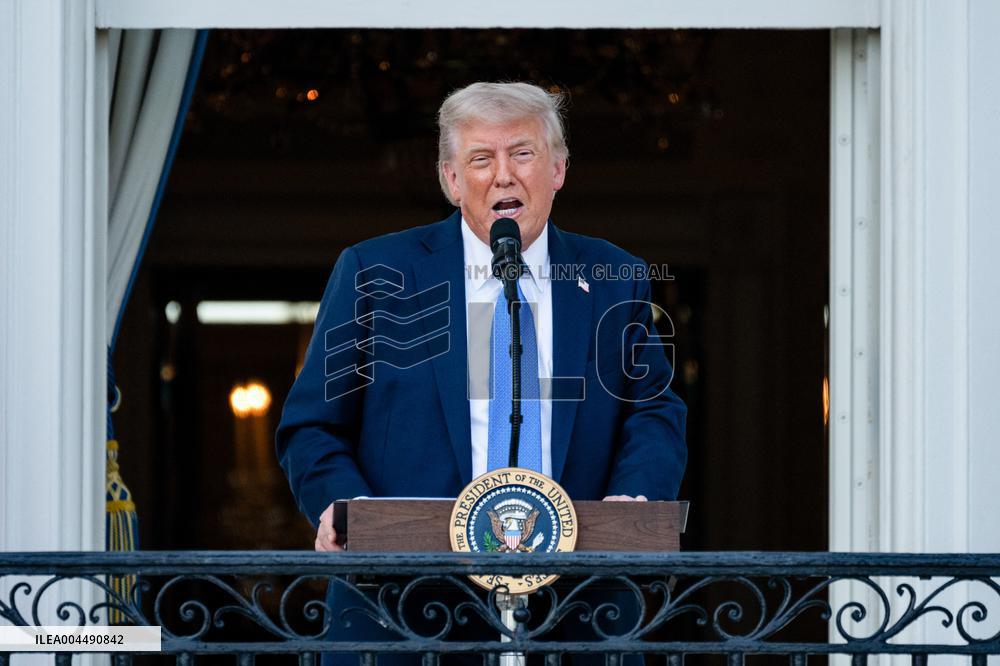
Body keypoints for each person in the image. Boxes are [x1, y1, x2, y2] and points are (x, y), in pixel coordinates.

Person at [275, 81, 687, 661]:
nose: (504, 176)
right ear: (450, 179)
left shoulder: (615, 274)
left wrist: (634, 496)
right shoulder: (375, 271)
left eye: (522, 153)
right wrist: (345, 510)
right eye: (480, 158)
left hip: (580, 613)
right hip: (401, 611)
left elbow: (654, 410)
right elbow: (312, 425)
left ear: (559, 170)